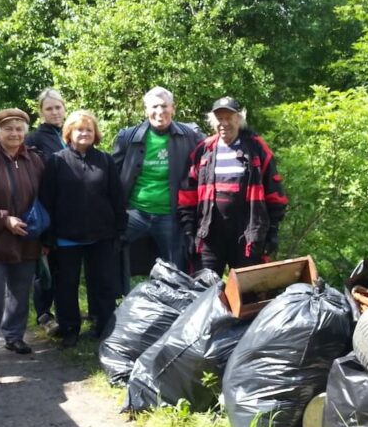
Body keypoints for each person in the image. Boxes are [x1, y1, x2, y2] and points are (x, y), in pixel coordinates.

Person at [39, 111, 127, 347]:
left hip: (102, 235)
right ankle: (70, 329)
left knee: (103, 283)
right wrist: (48, 238)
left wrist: (120, 228)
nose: (84, 133)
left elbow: (117, 197)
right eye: (79, 129)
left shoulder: (106, 160)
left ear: (95, 133)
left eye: (88, 129)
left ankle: (104, 327)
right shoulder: (56, 161)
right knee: (66, 285)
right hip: (67, 236)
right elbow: (47, 200)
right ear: (69, 133)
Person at [178, 96, 288, 276]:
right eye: (220, 118)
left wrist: (273, 231)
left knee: (247, 294)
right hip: (209, 234)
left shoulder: (256, 149)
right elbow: (187, 194)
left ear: (239, 119)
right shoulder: (203, 150)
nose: (224, 123)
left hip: (247, 234)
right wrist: (189, 231)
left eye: (229, 118)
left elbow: (274, 193)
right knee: (204, 291)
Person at [0, 108, 44, 364]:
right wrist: (4, 219)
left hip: (28, 236)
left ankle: (14, 336)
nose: (14, 133)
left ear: (26, 131)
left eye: (19, 128)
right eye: (9, 128)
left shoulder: (34, 159)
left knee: (21, 290)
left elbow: (44, 196)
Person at [112, 86, 202, 286]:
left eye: (164, 106)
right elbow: (113, 176)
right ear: (146, 110)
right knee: (112, 252)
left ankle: (175, 310)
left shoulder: (190, 136)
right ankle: (117, 303)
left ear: (173, 108)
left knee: (175, 269)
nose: (159, 112)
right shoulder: (128, 137)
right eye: (154, 107)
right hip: (134, 213)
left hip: (169, 214)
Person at [25, 88, 68, 336]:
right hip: (45, 208)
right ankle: (44, 313)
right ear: (41, 112)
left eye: (58, 107)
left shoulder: (71, 132)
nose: (54, 112)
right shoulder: (34, 139)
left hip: (69, 211)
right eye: (49, 108)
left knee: (63, 266)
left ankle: (65, 312)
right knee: (45, 266)